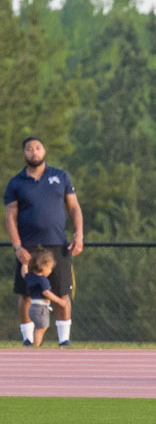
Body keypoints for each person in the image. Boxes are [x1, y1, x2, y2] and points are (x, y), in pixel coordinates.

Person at [6, 136, 84, 348]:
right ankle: (28, 340)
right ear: (24, 153)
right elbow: (10, 216)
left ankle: (64, 340)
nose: (34, 152)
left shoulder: (60, 176)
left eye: (38, 148)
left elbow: (74, 208)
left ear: (44, 150)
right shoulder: (16, 183)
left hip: (58, 244)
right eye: (29, 149)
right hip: (29, 247)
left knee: (62, 292)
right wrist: (17, 246)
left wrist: (79, 234)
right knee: (26, 293)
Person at [24, 247, 66, 347]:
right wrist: (59, 301)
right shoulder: (43, 280)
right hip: (41, 308)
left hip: (32, 307)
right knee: (42, 328)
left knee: (37, 327)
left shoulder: (30, 277)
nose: (50, 271)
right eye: (50, 268)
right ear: (43, 266)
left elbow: (23, 274)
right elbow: (46, 293)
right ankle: (36, 346)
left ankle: (34, 343)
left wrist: (24, 264)